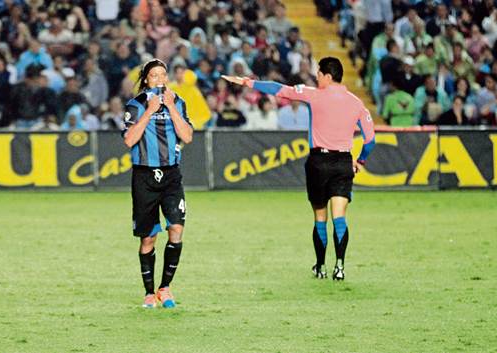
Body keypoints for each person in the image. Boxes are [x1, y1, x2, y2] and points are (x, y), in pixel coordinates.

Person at [222, 57, 375, 281]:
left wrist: (246, 82)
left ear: (328, 77)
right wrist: (360, 161)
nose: (316, 77)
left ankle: (321, 267)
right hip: (343, 162)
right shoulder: (356, 103)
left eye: (319, 74)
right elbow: (370, 141)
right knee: (340, 217)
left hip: (318, 162)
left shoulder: (314, 95)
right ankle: (340, 266)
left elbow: (278, 90)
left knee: (320, 217)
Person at [122, 59, 193, 309]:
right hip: (144, 177)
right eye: (154, 76)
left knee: (176, 228)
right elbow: (129, 140)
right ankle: (149, 293)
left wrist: (171, 107)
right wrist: (151, 110)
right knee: (148, 239)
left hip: (171, 176)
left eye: (163, 75)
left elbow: (187, 136)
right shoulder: (135, 105)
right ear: (146, 79)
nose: (160, 80)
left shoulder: (179, 102)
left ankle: (165, 288)